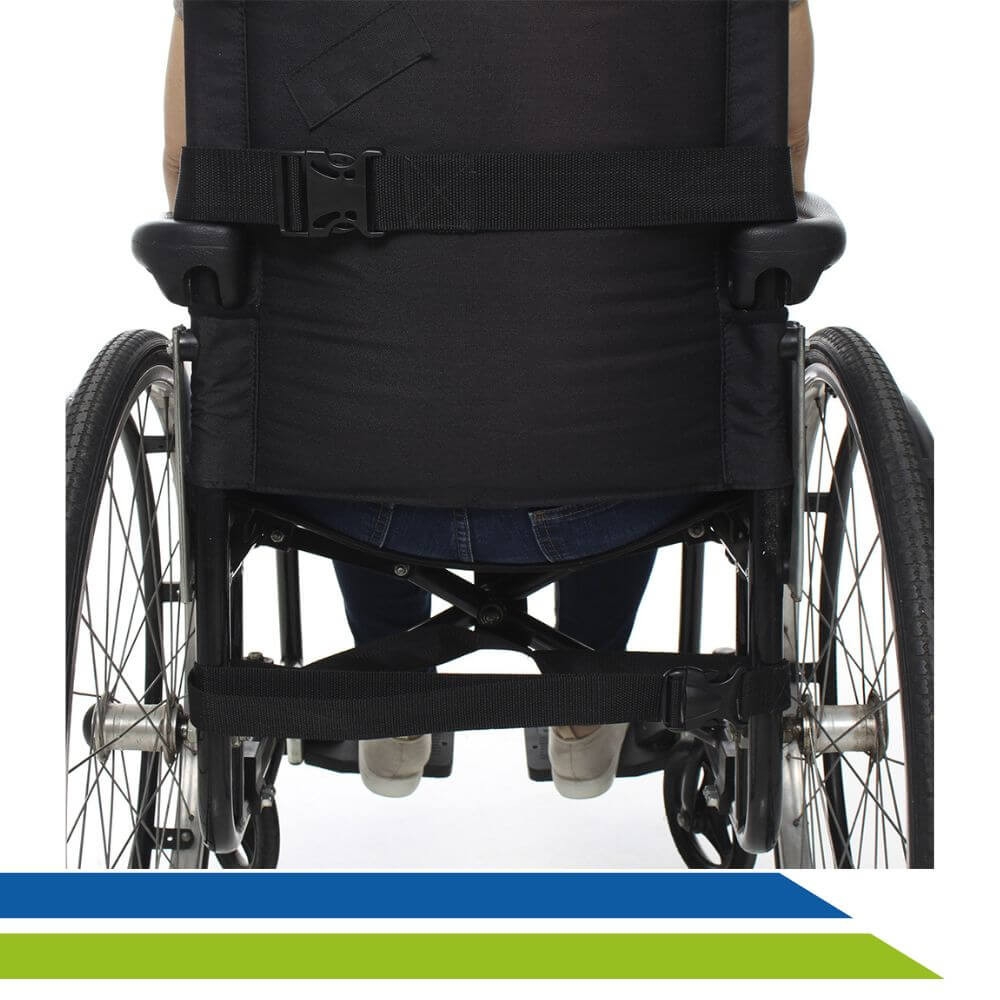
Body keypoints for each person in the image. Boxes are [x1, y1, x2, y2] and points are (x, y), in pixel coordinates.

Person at [164, 0, 812, 800]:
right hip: (626, 491)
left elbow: (194, 186)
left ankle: (388, 696)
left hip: (343, 491)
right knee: (628, 361)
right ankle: (589, 700)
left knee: (362, 375)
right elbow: (776, 173)